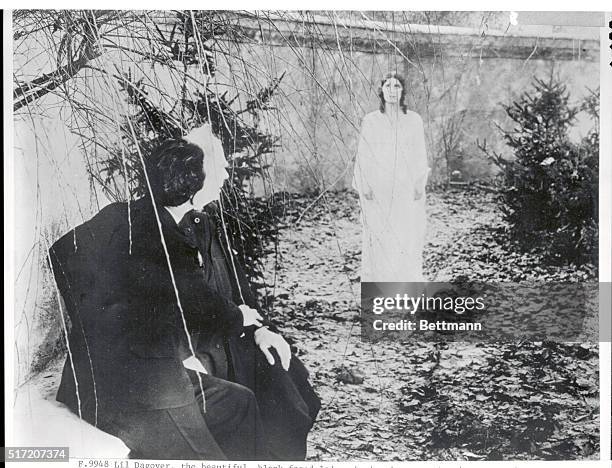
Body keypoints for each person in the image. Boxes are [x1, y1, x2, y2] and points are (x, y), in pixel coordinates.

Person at [49, 125, 319, 460]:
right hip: (138, 385)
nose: (224, 176)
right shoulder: (157, 234)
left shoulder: (164, 220)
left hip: (168, 362)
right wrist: (98, 324)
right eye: (217, 169)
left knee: (250, 401)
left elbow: (202, 294)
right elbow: (194, 299)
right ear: (193, 184)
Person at [352, 72, 430, 288]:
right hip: (379, 186)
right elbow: (364, 154)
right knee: (379, 232)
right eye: (388, 86)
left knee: (405, 231)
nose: (393, 90)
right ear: (381, 90)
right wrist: (364, 183)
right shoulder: (371, 120)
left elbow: (419, 153)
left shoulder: (413, 120)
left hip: (404, 185)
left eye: (397, 86)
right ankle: (379, 283)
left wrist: (418, 182)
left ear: (403, 91)